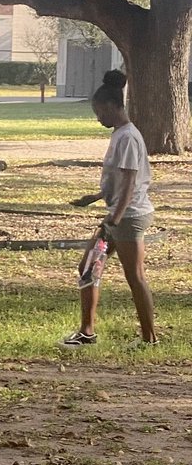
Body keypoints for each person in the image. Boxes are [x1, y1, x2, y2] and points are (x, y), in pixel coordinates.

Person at [65, 69, 158, 347]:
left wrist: (115, 217)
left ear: (110, 106)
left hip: (129, 218)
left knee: (135, 276)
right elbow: (119, 179)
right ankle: (87, 332)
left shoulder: (128, 137)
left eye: (98, 112)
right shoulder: (120, 134)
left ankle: (149, 339)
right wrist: (95, 197)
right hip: (118, 215)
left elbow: (130, 181)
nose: (97, 118)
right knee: (89, 267)